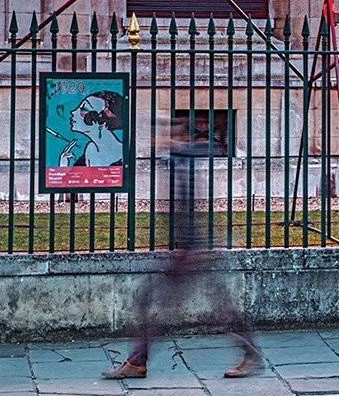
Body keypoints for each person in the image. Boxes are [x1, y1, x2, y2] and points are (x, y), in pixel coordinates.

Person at [102, 117, 262, 380]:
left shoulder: (180, 161)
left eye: (159, 135)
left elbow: (187, 210)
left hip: (191, 252)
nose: (154, 141)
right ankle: (137, 361)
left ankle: (137, 362)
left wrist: (185, 252)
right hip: (190, 251)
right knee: (213, 308)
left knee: (153, 302)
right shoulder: (177, 160)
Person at [60, 91, 126, 167]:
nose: (73, 112)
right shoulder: (91, 149)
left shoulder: (122, 155)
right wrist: (63, 165)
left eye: (84, 109)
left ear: (102, 122)